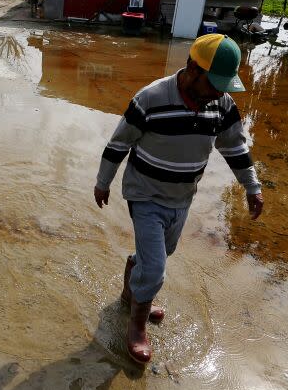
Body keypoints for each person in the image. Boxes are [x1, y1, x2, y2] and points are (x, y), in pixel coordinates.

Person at [93, 34, 264, 364]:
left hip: (181, 197)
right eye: (213, 83)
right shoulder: (151, 99)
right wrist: (103, 182)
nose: (218, 91)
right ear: (191, 68)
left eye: (223, 85)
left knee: (159, 254)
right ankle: (137, 328)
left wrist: (252, 187)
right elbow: (119, 144)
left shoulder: (222, 104)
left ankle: (132, 293)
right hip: (144, 194)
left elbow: (235, 148)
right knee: (156, 268)